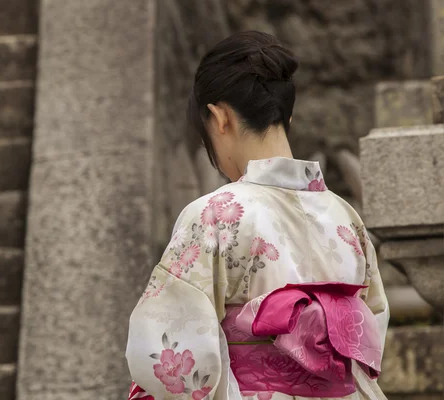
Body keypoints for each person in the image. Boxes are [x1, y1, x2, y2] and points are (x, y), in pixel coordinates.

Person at [125, 31, 389, 400]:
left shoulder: (215, 215)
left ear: (219, 118)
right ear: (288, 117)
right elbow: (369, 332)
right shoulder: (346, 218)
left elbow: (172, 356)